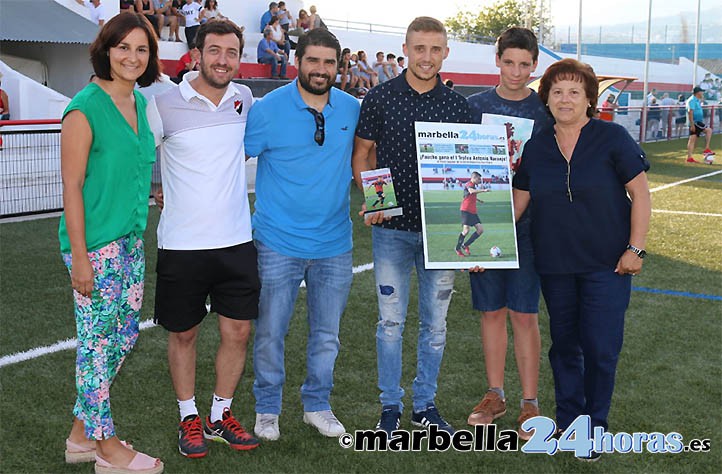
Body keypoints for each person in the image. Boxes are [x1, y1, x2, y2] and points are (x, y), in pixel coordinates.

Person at [513, 58, 651, 461]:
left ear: (590, 99)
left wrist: (636, 247)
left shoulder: (612, 138)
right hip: (556, 265)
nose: (565, 98)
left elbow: (640, 194)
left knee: (601, 347)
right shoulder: (536, 145)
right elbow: (517, 202)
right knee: (565, 347)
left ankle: (595, 427)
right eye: (557, 91)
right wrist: (480, 238)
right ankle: (570, 422)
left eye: (574, 91)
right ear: (547, 99)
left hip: (607, 264)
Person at [352, 16, 471, 436]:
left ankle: (424, 405)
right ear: (406, 48)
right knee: (390, 322)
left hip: (442, 233)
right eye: (419, 48)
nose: (426, 56)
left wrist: (481, 238)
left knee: (435, 325)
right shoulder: (380, 97)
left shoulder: (460, 107)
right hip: (392, 232)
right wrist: (376, 201)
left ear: (445, 52)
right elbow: (363, 154)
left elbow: (476, 171)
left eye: (435, 49)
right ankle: (390, 407)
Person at [148, 20, 260, 458]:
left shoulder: (244, 99)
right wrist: (153, 186)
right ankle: (188, 416)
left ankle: (220, 414)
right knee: (184, 335)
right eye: (214, 51)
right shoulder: (162, 104)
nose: (223, 60)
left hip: (236, 241)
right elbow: (141, 154)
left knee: (238, 331)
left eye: (231, 53)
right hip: (181, 245)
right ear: (197, 53)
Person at [58, 12, 163, 474]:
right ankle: (105, 444)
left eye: (142, 49)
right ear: (106, 49)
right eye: (123, 47)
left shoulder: (138, 104)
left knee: (123, 334)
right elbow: (72, 186)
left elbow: (132, 166)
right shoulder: (84, 106)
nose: (132, 57)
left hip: (130, 241)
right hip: (94, 246)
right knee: (97, 343)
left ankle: (80, 435)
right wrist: (81, 258)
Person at [245, 28, 360, 441]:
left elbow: (369, 160)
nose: (321, 69)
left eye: (329, 62)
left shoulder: (351, 109)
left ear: (338, 66)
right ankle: (267, 409)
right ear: (298, 61)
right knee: (271, 331)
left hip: (334, 243)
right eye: (313, 60)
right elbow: (228, 159)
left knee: (327, 335)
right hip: (277, 241)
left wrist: (382, 201)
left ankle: (317, 404)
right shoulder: (268, 109)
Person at [465, 27, 553, 440]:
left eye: (524, 64)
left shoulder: (545, 110)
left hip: (532, 229)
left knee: (524, 313)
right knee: (491, 312)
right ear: (497, 60)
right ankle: (496, 393)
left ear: (535, 65)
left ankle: (530, 401)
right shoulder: (475, 107)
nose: (516, 71)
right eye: (509, 62)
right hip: (485, 223)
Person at [455, 171, 489, 257]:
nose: (479, 180)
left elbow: (469, 195)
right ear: (473, 178)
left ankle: (465, 245)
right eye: (478, 179)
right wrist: (483, 190)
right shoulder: (469, 184)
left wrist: (478, 200)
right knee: (466, 230)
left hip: (473, 211)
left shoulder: (473, 185)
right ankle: (457, 248)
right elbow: (471, 191)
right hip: (466, 210)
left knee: (480, 230)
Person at [685, 86, 715, 163]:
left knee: (692, 139)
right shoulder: (692, 100)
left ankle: (689, 158)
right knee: (709, 130)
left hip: (696, 122)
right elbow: (690, 112)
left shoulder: (696, 100)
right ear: (698, 93)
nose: (702, 93)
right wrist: (692, 124)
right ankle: (706, 149)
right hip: (696, 122)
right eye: (701, 92)